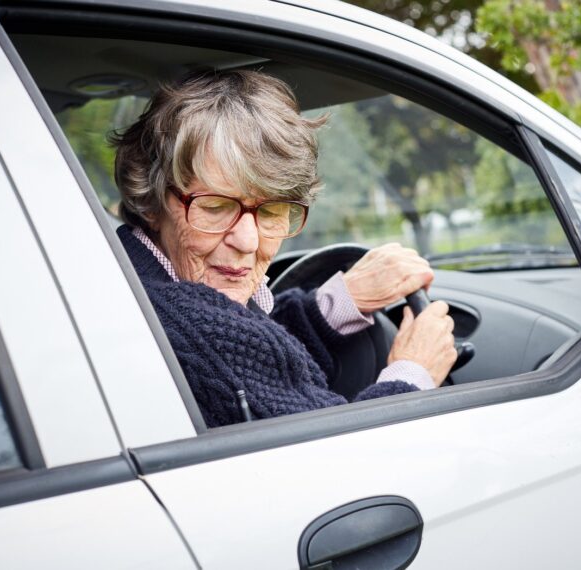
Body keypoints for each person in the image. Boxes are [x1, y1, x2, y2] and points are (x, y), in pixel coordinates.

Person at [112, 69, 457, 428]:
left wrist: (338, 304)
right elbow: (345, 459)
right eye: (215, 207)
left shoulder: (127, 276)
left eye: (274, 210)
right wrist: (414, 373)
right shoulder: (196, 329)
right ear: (151, 202)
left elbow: (261, 368)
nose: (248, 241)